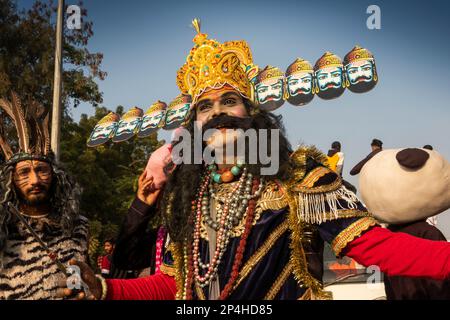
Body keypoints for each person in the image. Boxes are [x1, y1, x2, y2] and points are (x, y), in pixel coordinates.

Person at [66, 20, 450, 300]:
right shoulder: (189, 196)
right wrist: (104, 288)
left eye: (229, 102)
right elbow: (172, 284)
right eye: (205, 107)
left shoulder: (298, 176)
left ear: (252, 114)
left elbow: (377, 247)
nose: (217, 113)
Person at [0, 92, 88, 300]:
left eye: (41, 170)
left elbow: (79, 280)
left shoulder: (78, 226)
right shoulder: (3, 227)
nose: (35, 181)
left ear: (55, 176)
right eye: (24, 172)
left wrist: (82, 290)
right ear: (10, 179)